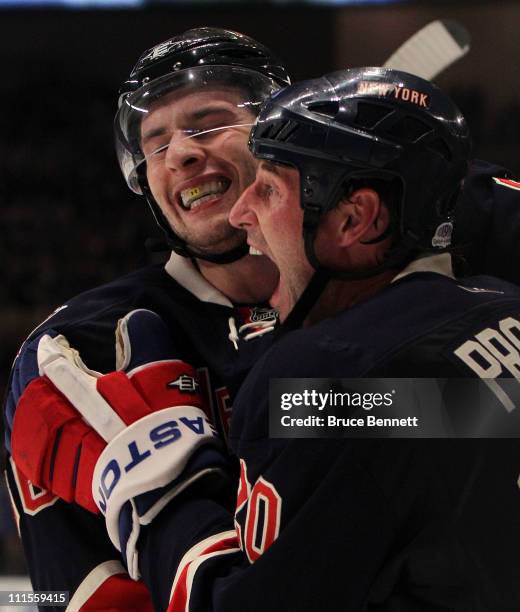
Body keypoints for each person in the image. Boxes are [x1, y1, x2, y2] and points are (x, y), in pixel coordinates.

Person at [15, 67, 520, 611]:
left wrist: (162, 491)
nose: (242, 210)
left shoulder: (322, 377)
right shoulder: (491, 295)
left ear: (357, 218)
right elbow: (451, 413)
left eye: (269, 185)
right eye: (154, 142)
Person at [3, 27, 289, 610]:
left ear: (282, 135)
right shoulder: (83, 350)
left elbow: (469, 431)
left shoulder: (380, 303)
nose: (179, 153)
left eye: (207, 124)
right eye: (155, 143)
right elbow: (92, 595)